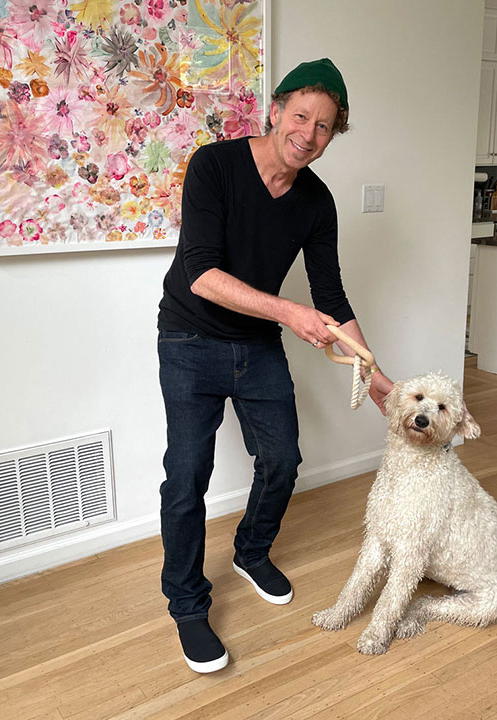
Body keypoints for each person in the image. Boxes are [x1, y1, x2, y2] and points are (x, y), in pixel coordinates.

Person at [157, 57, 394, 673]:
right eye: (301, 116)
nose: (309, 134)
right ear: (276, 109)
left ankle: (250, 550)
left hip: (256, 344)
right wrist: (289, 313)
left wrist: (375, 377)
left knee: (283, 459)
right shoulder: (214, 165)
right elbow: (200, 274)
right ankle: (186, 602)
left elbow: (332, 299)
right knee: (187, 477)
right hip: (188, 337)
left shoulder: (316, 201)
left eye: (325, 127)